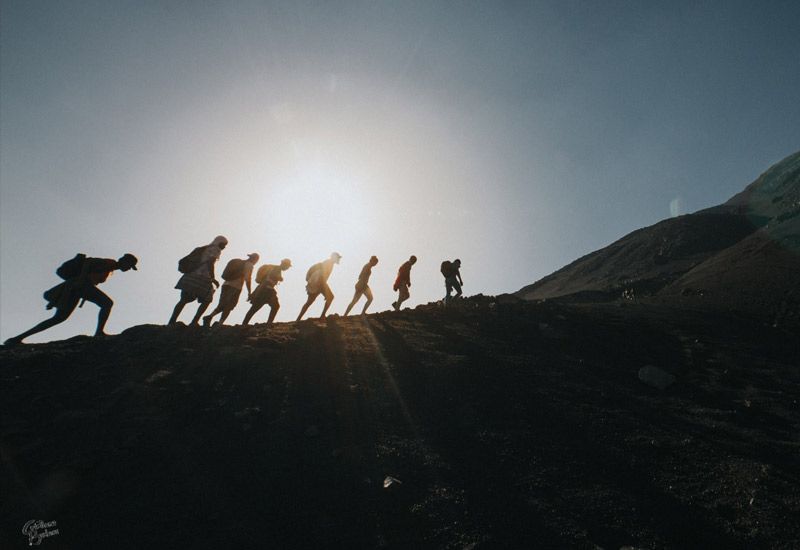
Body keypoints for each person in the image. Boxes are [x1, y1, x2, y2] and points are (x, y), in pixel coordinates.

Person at [4, 253, 138, 345]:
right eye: (129, 265)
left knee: (59, 318)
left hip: (76, 289)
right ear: (124, 261)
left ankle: (17, 338)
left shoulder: (111, 268)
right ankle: (99, 333)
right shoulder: (109, 263)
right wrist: (81, 280)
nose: (128, 268)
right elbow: (88, 262)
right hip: (80, 286)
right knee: (107, 303)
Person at [168, 235, 227, 326]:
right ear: (219, 242)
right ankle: (194, 321)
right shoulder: (216, 250)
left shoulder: (203, 248)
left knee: (183, 300)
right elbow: (210, 263)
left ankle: (172, 321)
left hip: (190, 276)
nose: (224, 247)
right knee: (207, 299)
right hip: (202, 277)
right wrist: (213, 278)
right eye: (224, 244)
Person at [202, 252, 259, 327]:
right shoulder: (249, 265)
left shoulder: (239, 262)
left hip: (226, 285)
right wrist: (249, 292)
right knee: (229, 306)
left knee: (223, 304)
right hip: (235, 287)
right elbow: (247, 279)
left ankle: (210, 317)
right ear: (255, 260)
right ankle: (219, 323)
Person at [242, 258, 292, 325]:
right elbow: (271, 276)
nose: (287, 268)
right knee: (275, 306)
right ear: (284, 264)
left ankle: (244, 324)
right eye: (287, 266)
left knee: (254, 308)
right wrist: (279, 278)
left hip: (263, 289)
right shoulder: (277, 269)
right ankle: (269, 323)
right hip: (267, 290)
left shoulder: (274, 268)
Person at [296, 252, 342, 321]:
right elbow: (322, 274)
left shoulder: (328, 263)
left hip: (315, 283)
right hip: (320, 282)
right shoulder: (329, 263)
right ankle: (322, 316)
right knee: (330, 297)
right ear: (334, 258)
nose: (339, 259)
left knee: (309, 302)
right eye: (338, 258)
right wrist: (324, 289)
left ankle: (298, 319)